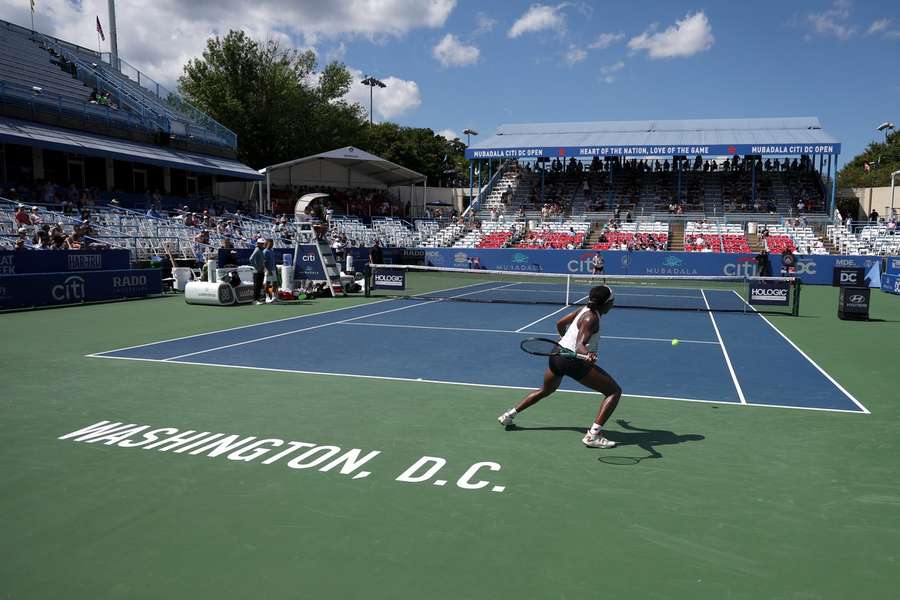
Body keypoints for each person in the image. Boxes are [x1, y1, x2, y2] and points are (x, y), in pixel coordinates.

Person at [497, 286, 622, 448]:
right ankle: (593, 436)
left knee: (545, 390)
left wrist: (565, 339)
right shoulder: (591, 318)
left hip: (557, 354)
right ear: (606, 303)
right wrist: (588, 354)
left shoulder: (583, 309)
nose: (613, 305)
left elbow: (560, 323)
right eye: (612, 302)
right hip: (572, 361)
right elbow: (580, 345)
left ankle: (509, 415)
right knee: (613, 391)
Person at [249, 238, 266, 305]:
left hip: (261, 271)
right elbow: (251, 259)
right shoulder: (257, 250)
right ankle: (254, 300)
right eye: (261, 243)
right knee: (256, 286)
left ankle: (258, 299)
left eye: (263, 243)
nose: (263, 244)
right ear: (258, 244)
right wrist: (256, 267)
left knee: (259, 285)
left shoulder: (261, 250)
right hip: (257, 272)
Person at [263, 239, 278, 303]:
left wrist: (275, 268)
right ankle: (267, 297)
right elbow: (264, 262)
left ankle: (274, 297)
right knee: (267, 283)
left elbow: (273, 261)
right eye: (270, 244)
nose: (272, 245)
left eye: (272, 244)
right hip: (268, 270)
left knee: (275, 283)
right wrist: (268, 270)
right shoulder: (265, 251)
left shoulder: (271, 251)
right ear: (267, 243)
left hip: (273, 270)